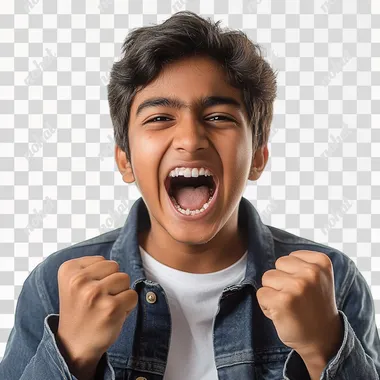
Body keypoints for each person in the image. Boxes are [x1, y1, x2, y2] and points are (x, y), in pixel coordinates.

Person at [1, 11, 379, 380]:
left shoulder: (333, 279)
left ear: (258, 158)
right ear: (126, 160)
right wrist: (72, 354)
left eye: (218, 117)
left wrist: (324, 348)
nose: (190, 140)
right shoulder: (55, 284)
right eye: (160, 118)